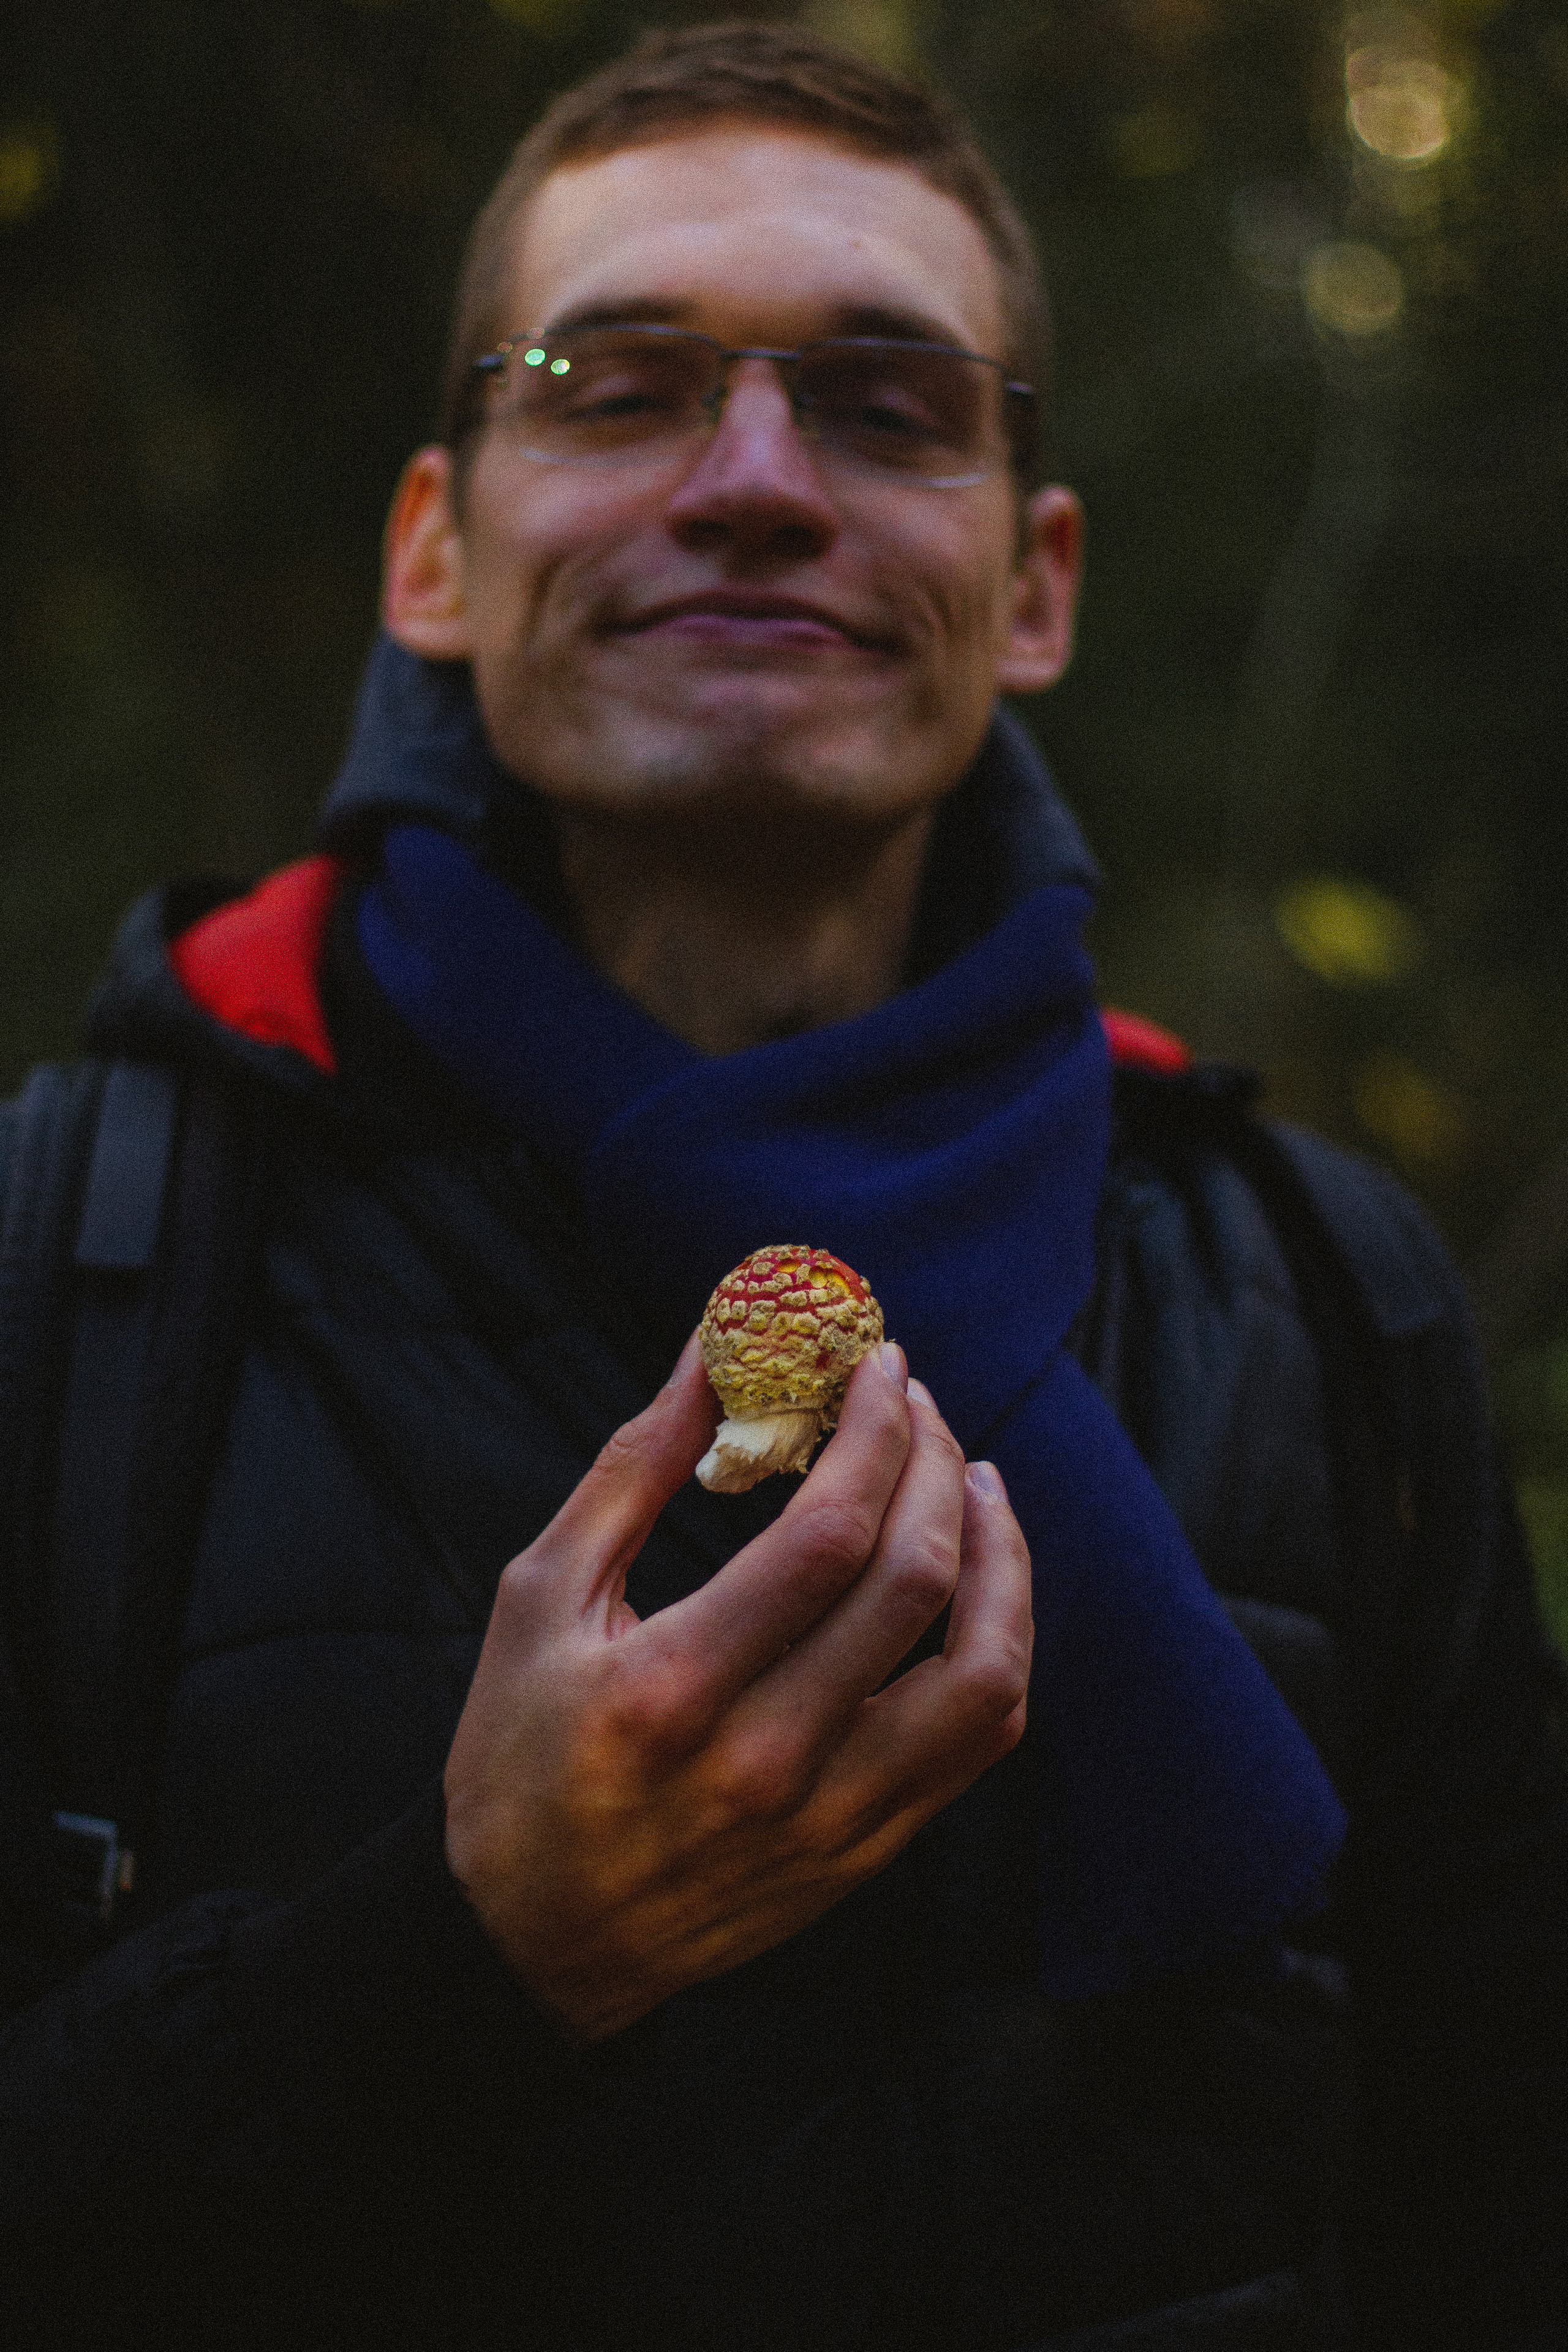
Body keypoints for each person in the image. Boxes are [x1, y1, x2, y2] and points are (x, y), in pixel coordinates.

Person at [0, 23, 1563, 2351]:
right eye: (613, 387)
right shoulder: (63, 1261)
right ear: (437, 548)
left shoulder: (1324, 1290)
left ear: (1034, 590)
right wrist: (463, 1954)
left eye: (887, 404)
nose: (751, 479)